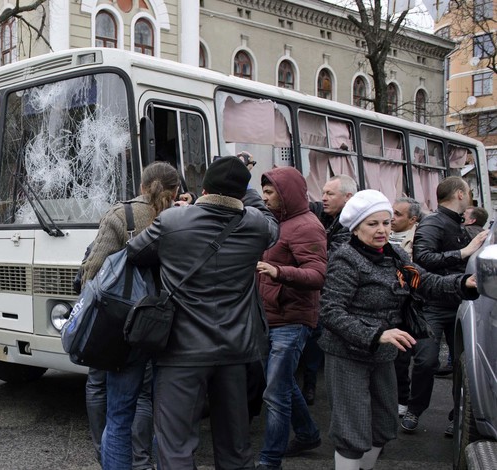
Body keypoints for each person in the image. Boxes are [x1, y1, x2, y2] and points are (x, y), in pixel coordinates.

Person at [127, 156, 279, 469]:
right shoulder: (255, 225)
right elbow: (269, 219)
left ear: (204, 188)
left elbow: (134, 252)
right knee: (236, 449)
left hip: (181, 351)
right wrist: (245, 190)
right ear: (241, 194)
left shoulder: (172, 222)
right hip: (236, 351)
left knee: (176, 447)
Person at [319, 189, 478, 470]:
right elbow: (331, 312)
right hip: (347, 356)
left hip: (382, 354)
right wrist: (377, 334)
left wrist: (463, 283)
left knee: (384, 425)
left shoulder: (394, 253)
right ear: (355, 227)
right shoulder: (345, 259)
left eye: (386, 222)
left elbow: (424, 281)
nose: (382, 230)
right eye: (373, 224)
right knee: (351, 430)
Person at [79, 161, 179, 469]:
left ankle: (109, 458)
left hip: (124, 326)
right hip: (165, 325)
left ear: (143, 186)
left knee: (118, 413)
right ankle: (143, 462)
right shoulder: (181, 219)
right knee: (152, 401)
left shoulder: (121, 215)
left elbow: (93, 272)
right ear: (175, 192)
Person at [404, 176, 487, 435]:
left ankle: (457, 414)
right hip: (433, 305)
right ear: (460, 194)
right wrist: (463, 253)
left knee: (463, 366)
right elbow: (423, 260)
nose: (471, 197)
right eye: (469, 192)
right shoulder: (432, 222)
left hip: (463, 304)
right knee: (426, 361)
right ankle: (415, 410)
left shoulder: (463, 224)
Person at [255, 167, 326, 470]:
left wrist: (279, 272)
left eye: (270, 192)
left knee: (275, 392)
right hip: (274, 316)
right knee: (281, 384)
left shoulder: (307, 226)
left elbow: (318, 274)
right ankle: (308, 433)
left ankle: (270, 461)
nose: (265, 196)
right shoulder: (280, 222)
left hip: (292, 320)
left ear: (286, 194)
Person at [301, 174, 357, 406]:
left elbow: (331, 259)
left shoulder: (351, 225)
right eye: (323, 193)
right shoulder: (322, 215)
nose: (323, 198)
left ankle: (311, 385)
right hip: (320, 289)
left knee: (319, 335)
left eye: (330, 194)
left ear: (348, 198)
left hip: (337, 293)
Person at [389, 196, 422, 418]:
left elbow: (420, 277)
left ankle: (402, 398)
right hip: (385, 304)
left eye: (398, 214)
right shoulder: (383, 234)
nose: (392, 218)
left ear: (413, 220)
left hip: (405, 305)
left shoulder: (419, 240)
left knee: (401, 357)